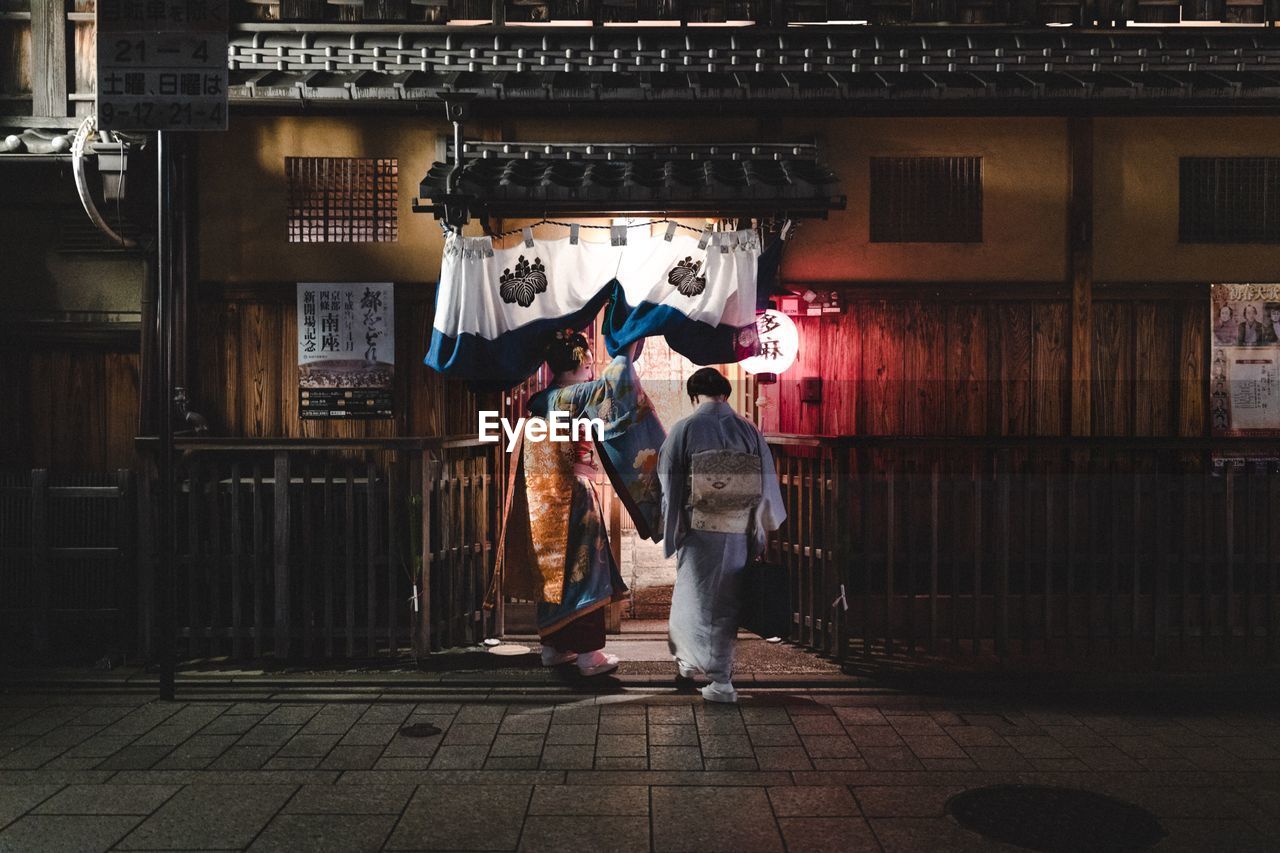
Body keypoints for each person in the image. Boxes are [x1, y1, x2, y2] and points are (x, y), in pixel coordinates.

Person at [494, 330, 663, 677]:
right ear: (581, 363)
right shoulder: (575, 395)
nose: (591, 371)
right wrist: (629, 344)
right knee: (585, 572)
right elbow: (617, 385)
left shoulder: (542, 400)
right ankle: (589, 655)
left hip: (542, 499)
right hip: (573, 495)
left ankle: (553, 647)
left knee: (552, 573)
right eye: (588, 364)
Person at [658, 367, 785, 703]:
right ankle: (698, 666)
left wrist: (673, 524)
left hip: (698, 528)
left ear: (693, 395)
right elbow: (765, 481)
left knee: (694, 599)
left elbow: (668, 479)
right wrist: (760, 526)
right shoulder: (749, 429)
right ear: (725, 394)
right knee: (725, 603)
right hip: (739, 528)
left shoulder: (685, 428)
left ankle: (718, 681)